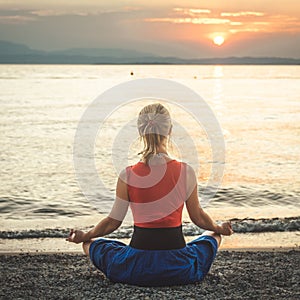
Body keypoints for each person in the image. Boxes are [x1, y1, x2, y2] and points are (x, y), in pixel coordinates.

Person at [67, 103, 233, 286]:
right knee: (213, 237)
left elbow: (112, 222)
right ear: (170, 130)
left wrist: (85, 235)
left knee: (91, 245)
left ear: (140, 131)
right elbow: (198, 217)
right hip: (179, 268)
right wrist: (219, 228)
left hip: (136, 268)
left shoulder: (127, 175)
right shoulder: (186, 172)